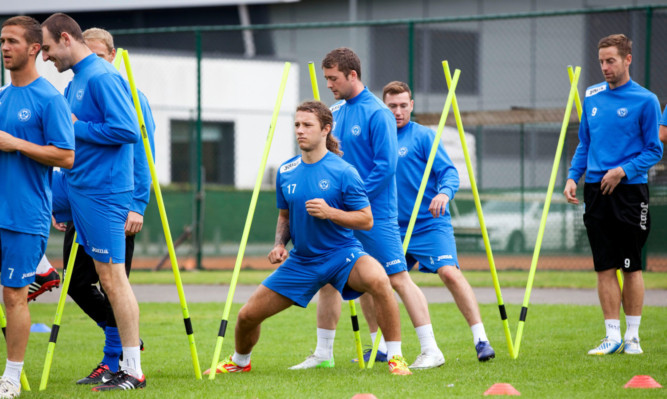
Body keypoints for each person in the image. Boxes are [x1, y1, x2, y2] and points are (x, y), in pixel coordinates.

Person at [205, 101, 411, 375]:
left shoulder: (344, 171)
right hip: (302, 261)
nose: (300, 131)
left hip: (342, 254)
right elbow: (285, 217)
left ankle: (395, 357)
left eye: (307, 125)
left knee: (380, 280)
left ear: (326, 129)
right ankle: (240, 361)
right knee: (246, 316)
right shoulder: (286, 171)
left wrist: (330, 213)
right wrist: (279, 244)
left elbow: (366, 218)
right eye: (297, 125)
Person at [291, 48, 444, 371]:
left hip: (374, 215)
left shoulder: (378, 113)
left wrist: (353, 201)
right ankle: (323, 354)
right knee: (332, 280)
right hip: (341, 216)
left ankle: (431, 350)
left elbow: (386, 167)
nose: (329, 84)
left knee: (398, 278)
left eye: (333, 78)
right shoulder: (335, 111)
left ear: (352, 75)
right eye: (326, 78)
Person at [44, 27, 155, 386]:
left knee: (113, 280)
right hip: (82, 196)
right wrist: (61, 204)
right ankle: (118, 360)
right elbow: (69, 150)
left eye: (46, 48)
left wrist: (138, 202)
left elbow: (137, 145)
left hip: (112, 197)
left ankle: (127, 363)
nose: (46, 57)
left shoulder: (112, 84)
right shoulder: (75, 83)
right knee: (82, 283)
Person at [382, 81, 495, 361]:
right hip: (392, 226)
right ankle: (381, 347)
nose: (398, 111)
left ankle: (481, 339)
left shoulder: (423, 136)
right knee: (376, 281)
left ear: (412, 105)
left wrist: (444, 193)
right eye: (391, 106)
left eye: (403, 105)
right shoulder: (379, 139)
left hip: (429, 222)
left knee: (449, 272)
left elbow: (449, 173)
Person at [564, 34, 662, 356]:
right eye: (602, 61)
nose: (605, 67)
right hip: (595, 191)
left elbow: (654, 150)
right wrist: (572, 176)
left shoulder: (646, 100)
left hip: (630, 192)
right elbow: (585, 144)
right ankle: (612, 336)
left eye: (611, 61)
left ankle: (633, 337)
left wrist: (623, 170)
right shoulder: (592, 97)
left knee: (631, 265)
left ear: (627, 60)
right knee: (604, 266)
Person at [0, 16, 75, 398]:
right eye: (1, 40)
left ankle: (11, 377)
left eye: (12, 41)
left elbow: (66, 157)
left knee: (13, 295)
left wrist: (16, 143)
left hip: (24, 215)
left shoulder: (49, 98)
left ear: (34, 49)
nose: (4, 47)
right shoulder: (0, 96)